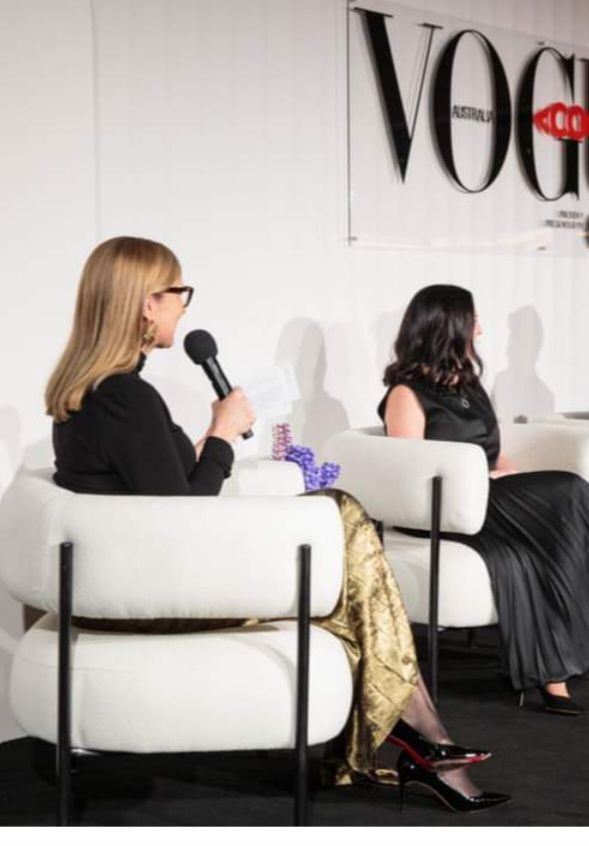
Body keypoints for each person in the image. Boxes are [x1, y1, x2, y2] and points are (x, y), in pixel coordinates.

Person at [46, 237, 509, 812]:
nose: (183, 306)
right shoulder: (124, 397)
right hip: (158, 596)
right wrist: (221, 434)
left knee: (342, 549)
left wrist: (207, 441)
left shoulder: (95, 393)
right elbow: (180, 515)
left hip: (139, 580)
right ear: (147, 303)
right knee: (341, 516)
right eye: (179, 292)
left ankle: (419, 736)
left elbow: (155, 489)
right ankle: (420, 736)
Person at [378, 283, 589, 718]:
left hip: (489, 497)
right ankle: (562, 661)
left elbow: (495, 453)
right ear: (448, 326)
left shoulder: (470, 386)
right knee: (571, 490)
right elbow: (408, 470)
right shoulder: (406, 393)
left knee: (557, 527)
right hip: (441, 508)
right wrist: (479, 478)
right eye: (473, 320)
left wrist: (515, 479)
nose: (480, 329)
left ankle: (555, 671)